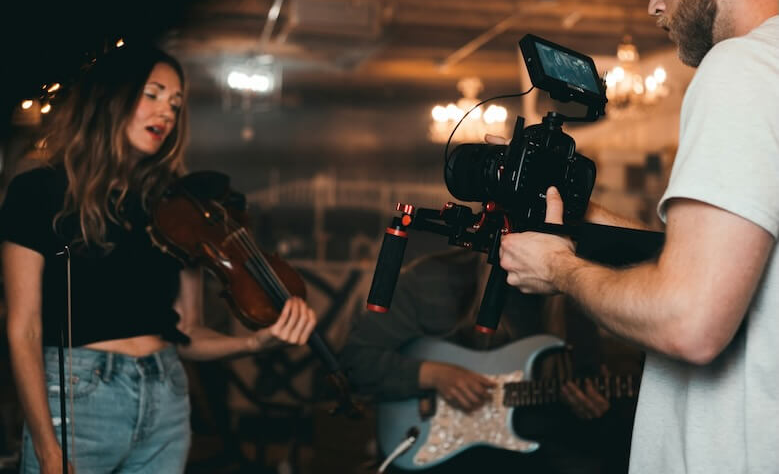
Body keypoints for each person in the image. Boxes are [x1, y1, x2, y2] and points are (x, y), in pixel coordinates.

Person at [498, 0, 779, 472]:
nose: (654, 5)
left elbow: (690, 319)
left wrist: (558, 268)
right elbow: (735, 269)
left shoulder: (742, 68)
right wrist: (589, 223)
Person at [0, 43, 318, 474]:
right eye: (152, 94)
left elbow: (187, 331)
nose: (166, 112)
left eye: (175, 103)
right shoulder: (38, 191)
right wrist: (47, 448)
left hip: (166, 397)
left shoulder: (176, 207)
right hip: (78, 402)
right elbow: (23, 327)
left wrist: (254, 342)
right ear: (110, 98)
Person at [341, 247, 641, 473]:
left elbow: (586, 393)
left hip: (534, 459)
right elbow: (354, 362)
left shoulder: (576, 300)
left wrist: (592, 411)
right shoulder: (430, 280)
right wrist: (432, 375)